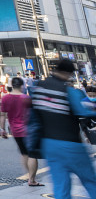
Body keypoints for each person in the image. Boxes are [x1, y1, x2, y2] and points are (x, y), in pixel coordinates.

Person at [31, 58, 96, 198]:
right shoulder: (68, 91)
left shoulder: (39, 88)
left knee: (61, 187)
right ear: (68, 73)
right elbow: (84, 110)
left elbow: (34, 116)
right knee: (90, 180)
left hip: (49, 145)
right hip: (71, 145)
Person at [0, 76, 40, 187]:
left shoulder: (5, 98)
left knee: (24, 153)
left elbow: (2, 115)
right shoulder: (26, 98)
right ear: (22, 86)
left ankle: (29, 176)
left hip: (15, 131)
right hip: (28, 130)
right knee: (32, 154)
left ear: (12, 86)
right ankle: (32, 179)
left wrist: (2, 129)